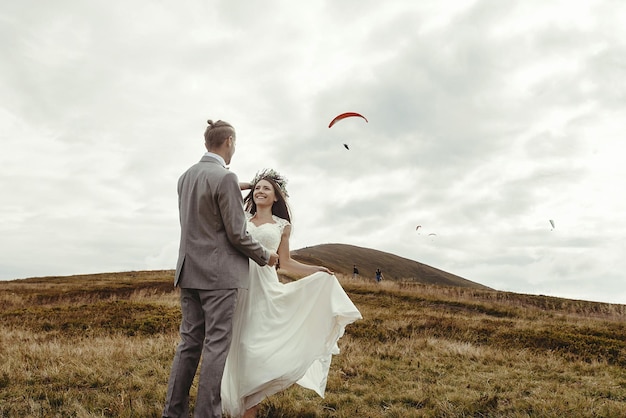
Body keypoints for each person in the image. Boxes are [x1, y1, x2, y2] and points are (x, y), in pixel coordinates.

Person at [221, 168, 362, 418]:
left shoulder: (282, 226)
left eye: (266, 188)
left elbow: (285, 263)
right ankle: (243, 404)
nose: (260, 191)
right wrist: (247, 182)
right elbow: (225, 190)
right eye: (257, 188)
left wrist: (315, 269)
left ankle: (250, 408)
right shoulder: (240, 217)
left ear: (277, 197)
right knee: (241, 346)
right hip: (240, 286)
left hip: (265, 289)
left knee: (256, 348)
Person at [163, 120, 279, 418]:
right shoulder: (225, 178)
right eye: (234, 144)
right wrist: (267, 256)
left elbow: (205, 212)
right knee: (215, 346)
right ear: (228, 141)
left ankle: (173, 413)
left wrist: (231, 184)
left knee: (189, 344)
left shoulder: (186, 177)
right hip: (220, 277)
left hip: (189, 272)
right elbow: (237, 235)